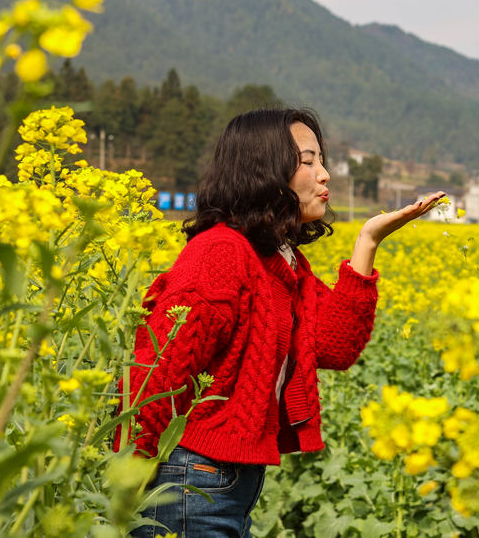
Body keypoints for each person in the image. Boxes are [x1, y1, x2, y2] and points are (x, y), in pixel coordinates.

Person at [122, 108, 444, 537]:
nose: (325, 174)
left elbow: (334, 345)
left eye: (320, 160)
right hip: (190, 480)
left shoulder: (278, 260)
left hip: (226, 482)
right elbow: (157, 376)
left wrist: (367, 241)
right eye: (308, 162)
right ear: (265, 171)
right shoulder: (221, 254)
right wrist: (125, 483)